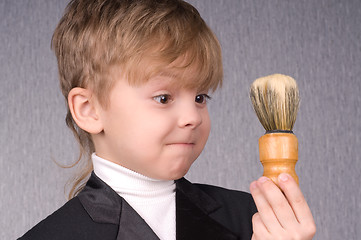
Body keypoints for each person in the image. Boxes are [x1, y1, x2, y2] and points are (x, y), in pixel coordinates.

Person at [19, 0, 316, 239]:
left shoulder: (252, 218)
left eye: (200, 97)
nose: (191, 118)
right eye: (164, 98)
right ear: (89, 110)